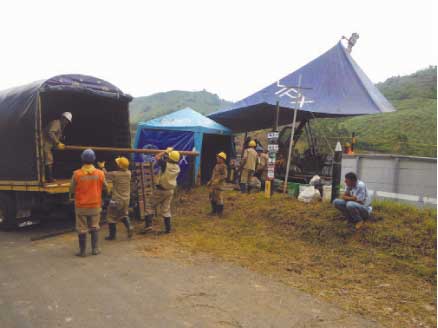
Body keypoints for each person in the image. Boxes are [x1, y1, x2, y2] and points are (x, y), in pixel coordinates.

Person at [69, 149, 108, 257]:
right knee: (95, 226)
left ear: (82, 159)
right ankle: (95, 249)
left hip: (81, 206)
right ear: (94, 159)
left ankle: (82, 252)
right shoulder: (100, 173)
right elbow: (105, 187)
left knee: (82, 228)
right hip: (95, 205)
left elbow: (71, 189)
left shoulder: (76, 174)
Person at [142, 148, 181, 234]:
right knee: (166, 209)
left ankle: (148, 226)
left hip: (161, 190)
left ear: (170, 158)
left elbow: (157, 157)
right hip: (170, 191)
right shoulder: (177, 167)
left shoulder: (165, 164)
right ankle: (168, 229)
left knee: (149, 205)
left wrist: (166, 151)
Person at [98, 157, 133, 240]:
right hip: (126, 200)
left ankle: (112, 236)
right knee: (123, 214)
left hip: (116, 200)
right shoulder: (129, 173)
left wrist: (102, 167)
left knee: (111, 217)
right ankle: (129, 226)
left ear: (120, 166)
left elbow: (105, 175)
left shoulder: (115, 174)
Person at [43, 112, 72, 182]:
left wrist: (61, 139)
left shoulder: (61, 126)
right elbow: (51, 132)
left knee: (49, 160)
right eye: (66, 120)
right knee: (49, 159)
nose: (67, 123)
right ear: (62, 118)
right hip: (45, 143)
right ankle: (49, 178)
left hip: (50, 144)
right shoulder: (56, 123)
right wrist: (58, 142)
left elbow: (56, 134)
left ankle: (48, 177)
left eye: (68, 121)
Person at [207, 152, 228, 216]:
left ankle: (220, 212)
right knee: (212, 197)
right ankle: (214, 211)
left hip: (219, 185)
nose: (217, 158)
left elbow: (225, 175)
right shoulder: (216, 165)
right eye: (217, 157)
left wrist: (219, 179)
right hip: (213, 184)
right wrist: (210, 181)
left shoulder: (224, 166)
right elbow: (213, 174)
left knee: (219, 198)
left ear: (222, 159)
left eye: (218, 158)